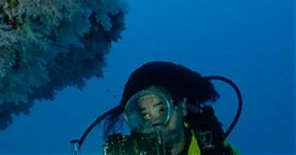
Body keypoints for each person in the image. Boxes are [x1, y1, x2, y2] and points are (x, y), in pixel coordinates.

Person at [101, 61, 239, 155]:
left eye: (162, 110)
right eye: (145, 116)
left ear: (182, 107)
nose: (155, 124)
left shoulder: (216, 148)